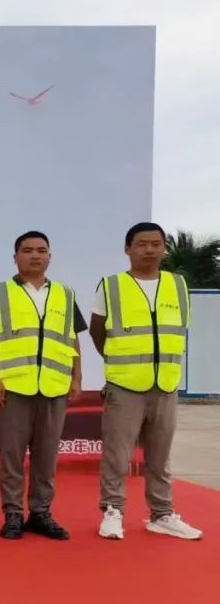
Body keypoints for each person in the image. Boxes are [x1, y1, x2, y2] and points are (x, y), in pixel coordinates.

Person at [91, 222, 202, 540]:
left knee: (160, 455)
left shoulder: (178, 285)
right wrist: (118, 360)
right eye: (142, 244)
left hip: (166, 384)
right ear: (128, 249)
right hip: (125, 385)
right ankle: (113, 511)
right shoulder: (111, 286)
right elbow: (99, 331)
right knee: (117, 455)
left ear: (164, 248)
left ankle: (162, 514)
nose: (149, 250)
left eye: (156, 244)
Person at [0, 231, 86, 540]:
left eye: (41, 250)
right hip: (14, 387)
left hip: (54, 387)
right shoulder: (0, 292)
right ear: (15, 257)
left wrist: (76, 377)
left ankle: (41, 513)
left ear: (49, 257)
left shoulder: (65, 294)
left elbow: (72, 338)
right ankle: (13, 514)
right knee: (12, 455)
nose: (35, 255)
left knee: (46, 455)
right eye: (27, 250)